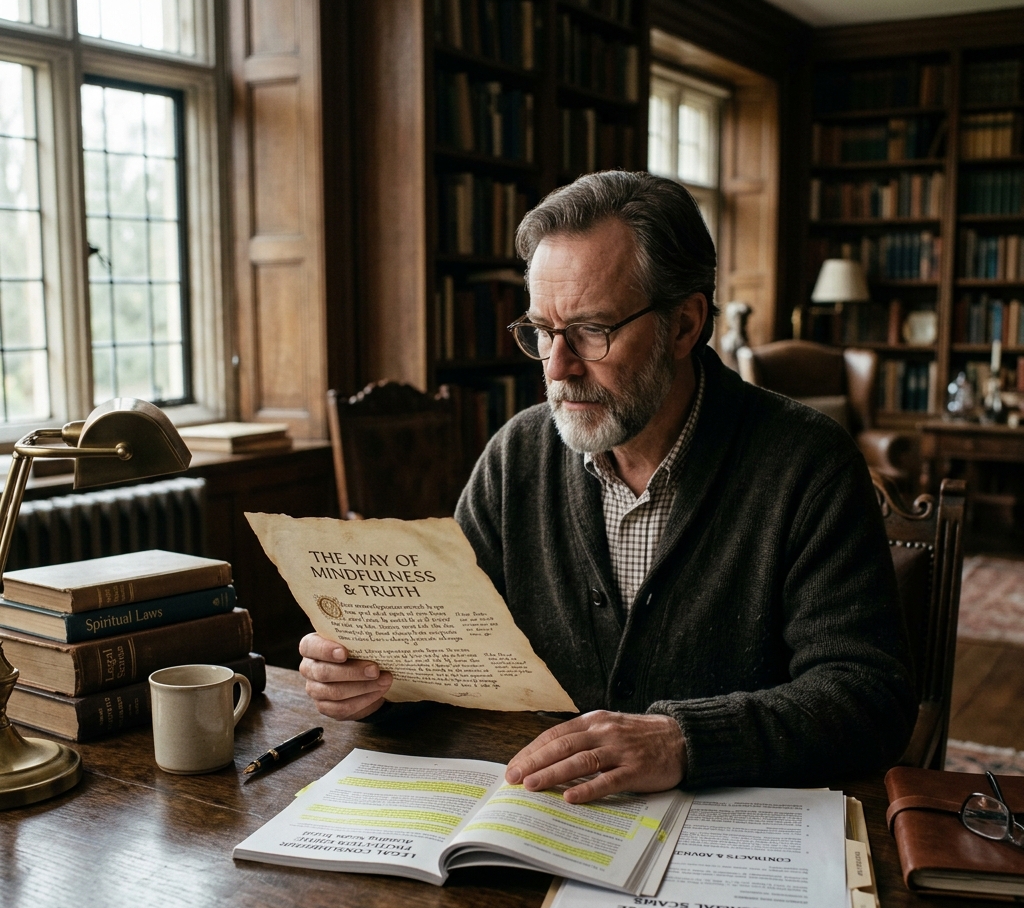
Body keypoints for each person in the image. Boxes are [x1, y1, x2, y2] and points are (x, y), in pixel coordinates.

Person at [300, 171, 915, 804]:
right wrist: (375, 680)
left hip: (733, 846)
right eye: (542, 330)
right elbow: (453, 653)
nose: (558, 368)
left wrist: (681, 741)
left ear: (684, 325)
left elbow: (868, 697)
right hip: (541, 819)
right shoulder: (518, 455)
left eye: (592, 331)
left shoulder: (807, 463)